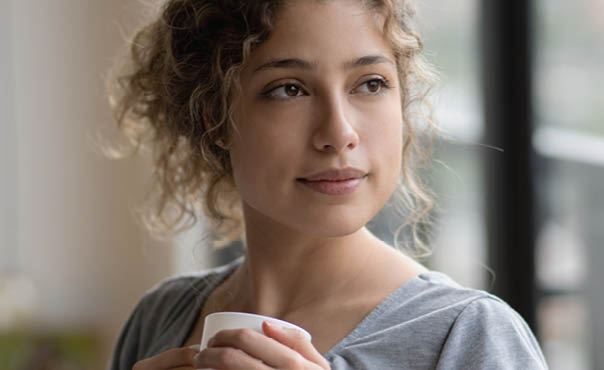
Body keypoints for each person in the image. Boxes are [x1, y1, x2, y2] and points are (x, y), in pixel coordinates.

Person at [107, 0, 548, 369]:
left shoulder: (469, 336)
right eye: (289, 89)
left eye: (371, 84)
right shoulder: (160, 318)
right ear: (214, 116)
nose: (339, 133)